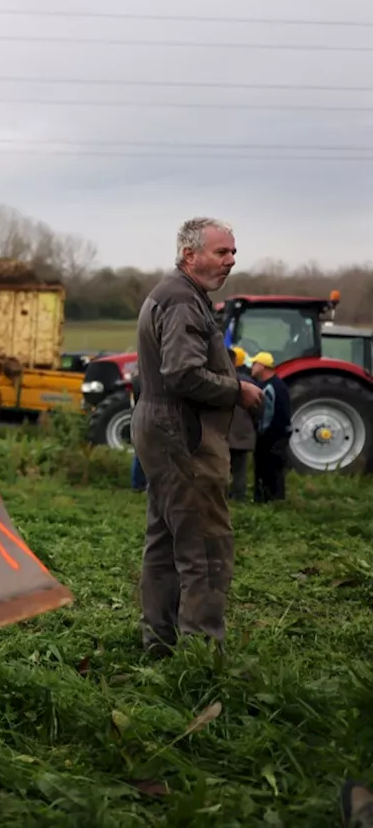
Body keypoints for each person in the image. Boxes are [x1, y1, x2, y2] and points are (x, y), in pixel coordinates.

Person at [131, 217, 263, 658]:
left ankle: (160, 643)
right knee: (206, 545)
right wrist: (237, 390)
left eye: (232, 252)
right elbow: (182, 371)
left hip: (162, 428)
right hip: (182, 434)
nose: (231, 260)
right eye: (221, 252)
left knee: (166, 541)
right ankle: (202, 653)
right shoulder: (184, 300)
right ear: (190, 255)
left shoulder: (175, 294)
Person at [250, 351, 292, 503]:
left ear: (262, 366)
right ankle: (270, 499)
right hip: (274, 435)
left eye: (254, 364)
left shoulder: (272, 387)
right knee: (268, 469)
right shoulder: (271, 384)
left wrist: (261, 432)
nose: (251, 367)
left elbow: (268, 414)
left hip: (272, 436)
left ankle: (271, 500)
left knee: (271, 468)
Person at [227, 346, 256, 501]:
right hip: (242, 432)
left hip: (221, 432)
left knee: (221, 467)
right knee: (240, 469)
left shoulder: (214, 380)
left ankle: (222, 495)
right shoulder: (248, 382)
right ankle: (239, 496)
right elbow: (257, 407)